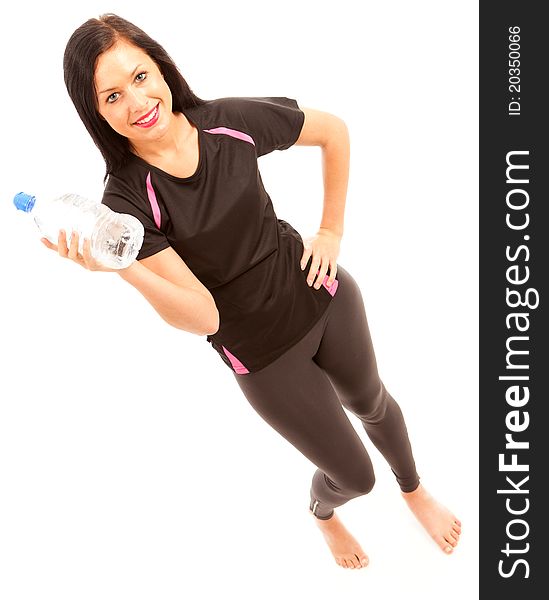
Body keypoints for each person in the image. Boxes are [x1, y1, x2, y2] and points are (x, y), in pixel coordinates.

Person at [43, 13, 461, 569]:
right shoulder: (124, 203)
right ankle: (323, 515)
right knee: (354, 478)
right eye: (112, 96)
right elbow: (203, 317)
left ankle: (413, 491)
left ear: (160, 66)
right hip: (261, 354)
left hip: (322, 291)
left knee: (374, 402)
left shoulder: (226, 122)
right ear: (96, 112)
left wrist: (331, 231)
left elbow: (332, 131)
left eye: (141, 77)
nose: (136, 102)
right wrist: (121, 265)